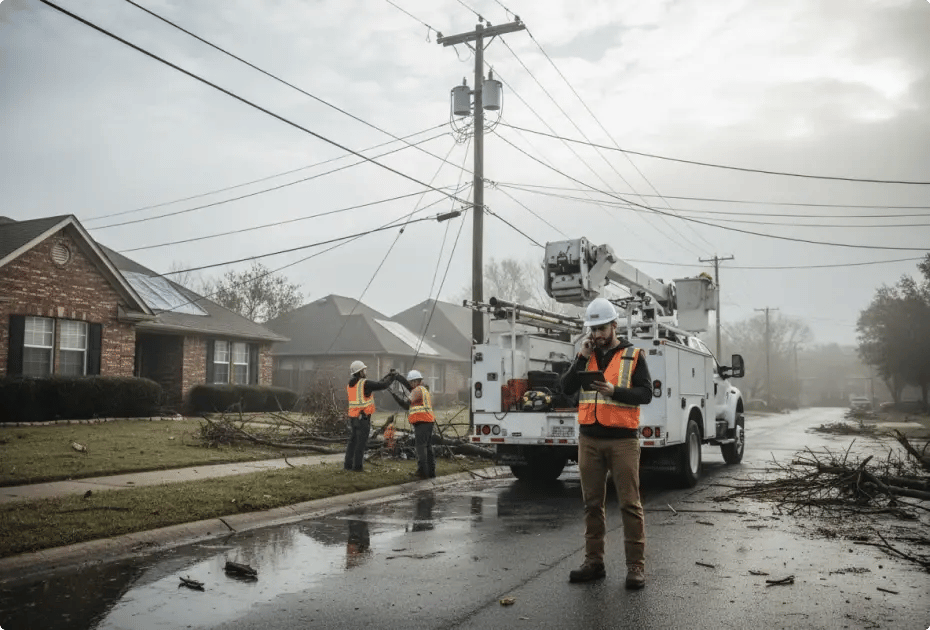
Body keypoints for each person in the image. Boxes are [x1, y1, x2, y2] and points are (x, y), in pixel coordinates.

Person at [561, 297, 653, 590]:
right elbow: (564, 389)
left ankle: (635, 567)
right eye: (593, 329)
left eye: (602, 328)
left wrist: (615, 391)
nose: (598, 335)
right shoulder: (586, 356)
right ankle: (594, 563)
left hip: (623, 441)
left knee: (629, 504)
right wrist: (579, 357)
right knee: (592, 504)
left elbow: (646, 394)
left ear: (614, 325)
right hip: (589, 439)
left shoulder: (634, 355)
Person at [345, 360, 395, 472]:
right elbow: (382, 385)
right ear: (360, 372)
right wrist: (393, 378)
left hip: (353, 418)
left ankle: (347, 466)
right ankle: (358, 467)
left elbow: (377, 383)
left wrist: (388, 375)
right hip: (363, 419)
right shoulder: (364, 383)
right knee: (361, 444)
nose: (365, 371)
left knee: (352, 442)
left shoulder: (351, 384)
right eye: (364, 370)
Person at [390, 369, 436, 479]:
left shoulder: (417, 391)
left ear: (416, 381)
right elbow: (407, 386)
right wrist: (398, 376)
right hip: (428, 421)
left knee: (421, 448)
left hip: (422, 422)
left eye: (411, 382)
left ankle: (422, 473)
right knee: (428, 447)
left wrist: (394, 395)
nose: (410, 384)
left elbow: (406, 405)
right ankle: (431, 472)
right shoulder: (424, 389)